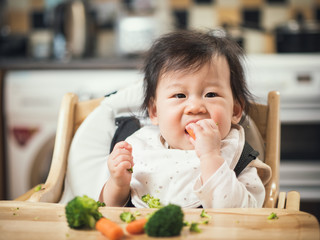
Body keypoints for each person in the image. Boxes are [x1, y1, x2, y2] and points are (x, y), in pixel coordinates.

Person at [99, 30, 271, 208]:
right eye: (180, 95)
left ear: (235, 111)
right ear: (155, 112)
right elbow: (107, 209)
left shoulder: (237, 156)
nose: (195, 107)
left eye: (211, 94)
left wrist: (211, 157)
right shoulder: (141, 148)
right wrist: (118, 184)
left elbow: (245, 213)